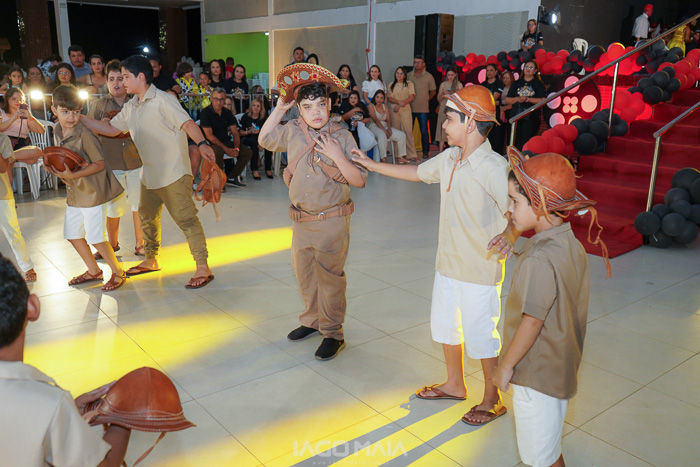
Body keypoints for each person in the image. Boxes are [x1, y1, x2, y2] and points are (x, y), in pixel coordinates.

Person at [352, 85, 518, 426]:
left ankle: (492, 398)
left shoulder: (493, 166)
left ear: (470, 122)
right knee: (446, 327)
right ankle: (455, 384)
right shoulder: (450, 158)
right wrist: (372, 165)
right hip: (447, 264)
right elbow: (416, 172)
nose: (443, 124)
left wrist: (509, 233)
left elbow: (516, 207)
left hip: (479, 269)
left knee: (481, 336)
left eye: (450, 118)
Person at [493, 148, 609, 467]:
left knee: (538, 457)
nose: (509, 210)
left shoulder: (539, 258)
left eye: (514, 201)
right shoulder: (569, 244)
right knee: (547, 448)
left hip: (537, 374)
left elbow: (532, 321)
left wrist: (504, 366)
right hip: (559, 366)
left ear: (540, 205)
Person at [79, 54, 216, 289]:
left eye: (125, 77)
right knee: (147, 215)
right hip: (149, 174)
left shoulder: (164, 100)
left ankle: (203, 267)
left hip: (173, 173)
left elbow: (187, 123)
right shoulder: (132, 105)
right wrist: (79, 118)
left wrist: (202, 144)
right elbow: (110, 129)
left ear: (140, 77)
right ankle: (151, 259)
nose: (122, 82)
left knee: (186, 219)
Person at [259, 65, 367, 361]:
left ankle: (333, 333)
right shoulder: (293, 130)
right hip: (301, 221)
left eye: (321, 104)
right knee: (304, 274)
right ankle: (312, 320)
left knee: (330, 279)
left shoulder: (342, 136)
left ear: (330, 104)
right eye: (307, 107)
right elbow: (264, 139)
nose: (315, 112)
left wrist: (336, 155)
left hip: (332, 220)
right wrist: (280, 109)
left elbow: (359, 180)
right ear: (299, 109)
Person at [0, 253, 132, 466]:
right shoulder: (45, 403)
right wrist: (123, 420)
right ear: (32, 307)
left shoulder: (45, 406)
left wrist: (65, 418)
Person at [45, 85, 126, 291]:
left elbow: (99, 164)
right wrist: (56, 168)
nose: (71, 117)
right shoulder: (57, 129)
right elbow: (66, 159)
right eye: (65, 112)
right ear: (54, 110)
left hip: (93, 192)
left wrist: (72, 175)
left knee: (96, 237)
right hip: (75, 191)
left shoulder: (85, 134)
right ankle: (94, 271)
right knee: (72, 234)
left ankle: (118, 271)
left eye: (76, 111)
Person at [86, 60, 144, 258]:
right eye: (111, 79)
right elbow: (88, 134)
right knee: (113, 208)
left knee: (139, 205)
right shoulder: (98, 106)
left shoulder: (137, 103)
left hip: (137, 161)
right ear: (106, 82)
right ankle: (112, 244)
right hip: (111, 163)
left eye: (120, 78)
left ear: (126, 80)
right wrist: (101, 127)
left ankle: (141, 244)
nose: (116, 83)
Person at [0, 134, 39, 282]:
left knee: (13, 232)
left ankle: (27, 266)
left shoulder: (3, 140)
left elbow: (4, 168)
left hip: (2, 194)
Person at [198, 87, 253, 187]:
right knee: (218, 151)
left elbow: (235, 133)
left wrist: (236, 148)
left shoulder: (227, 113)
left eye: (221, 99)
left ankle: (232, 177)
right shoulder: (205, 113)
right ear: (211, 98)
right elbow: (209, 136)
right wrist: (226, 149)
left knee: (247, 152)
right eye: (216, 99)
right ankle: (218, 180)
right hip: (210, 143)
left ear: (224, 100)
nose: (218, 102)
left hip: (225, 141)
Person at [505, 60, 546, 150]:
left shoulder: (538, 84)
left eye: (531, 67)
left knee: (527, 142)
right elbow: (507, 99)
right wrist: (517, 99)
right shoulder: (516, 83)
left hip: (531, 118)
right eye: (526, 67)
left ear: (535, 71)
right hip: (516, 117)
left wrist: (528, 99)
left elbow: (543, 100)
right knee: (515, 142)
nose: (528, 69)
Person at [367, 90, 408, 163]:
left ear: (383, 99)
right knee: (382, 134)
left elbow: (388, 119)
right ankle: (383, 158)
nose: (379, 100)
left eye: (381, 98)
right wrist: (384, 130)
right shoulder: (371, 106)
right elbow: (375, 120)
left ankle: (400, 157)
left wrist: (389, 129)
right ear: (374, 97)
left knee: (401, 135)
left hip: (385, 125)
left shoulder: (384, 106)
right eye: (377, 97)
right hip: (374, 126)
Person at [407, 55, 436, 160]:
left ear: (424, 64)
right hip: (409, 108)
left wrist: (426, 99)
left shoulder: (429, 76)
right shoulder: (409, 75)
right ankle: (408, 152)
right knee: (408, 131)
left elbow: (433, 91)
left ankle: (425, 152)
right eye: (415, 62)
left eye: (419, 62)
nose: (417, 64)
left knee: (424, 131)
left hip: (423, 108)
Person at [387, 66, 417, 162]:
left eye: (401, 73)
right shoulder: (391, 85)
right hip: (394, 110)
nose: (399, 75)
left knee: (408, 131)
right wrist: (398, 103)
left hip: (405, 109)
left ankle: (411, 154)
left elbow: (411, 97)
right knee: (396, 132)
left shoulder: (409, 84)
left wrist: (400, 104)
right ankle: (397, 155)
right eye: (397, 73)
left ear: (404, 75)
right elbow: (389, 98)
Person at [240, 98, 272, 179]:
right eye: (254, 105)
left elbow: (267, 132)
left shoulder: (263, 118)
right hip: (247, 138)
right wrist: (249, 132)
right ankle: (254, 169)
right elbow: (240, 132)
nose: (255, 108)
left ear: (261, 108)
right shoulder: (245, 117)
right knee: (253, 142)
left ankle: (268, 168)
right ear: (251, 107)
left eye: (258, 106)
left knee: (268, 143)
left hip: (260, 139)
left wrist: (262, 143)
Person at [435, 66, 463, 152]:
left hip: (454, 107)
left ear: (455, 75)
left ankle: (454, 149)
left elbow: (462, 99)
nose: (450, 77)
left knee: (454, 126)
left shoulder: (459, 84)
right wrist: (444, 93)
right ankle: (440, 150)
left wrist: (455, 94)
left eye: (452, 75)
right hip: (444, 106)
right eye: (448, 75)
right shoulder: (443, 84)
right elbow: (438, 98)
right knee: (442, 127)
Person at [481, 64, 505, 154]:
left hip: (495, 114)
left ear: (495, 72)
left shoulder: (499, 83)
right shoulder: (483, 84)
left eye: (491, 70)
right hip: (484, 114)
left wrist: (492, 101)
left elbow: (493, 98)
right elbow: (479, 98)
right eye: (487, 70)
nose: (489, 72)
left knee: (496, 137)